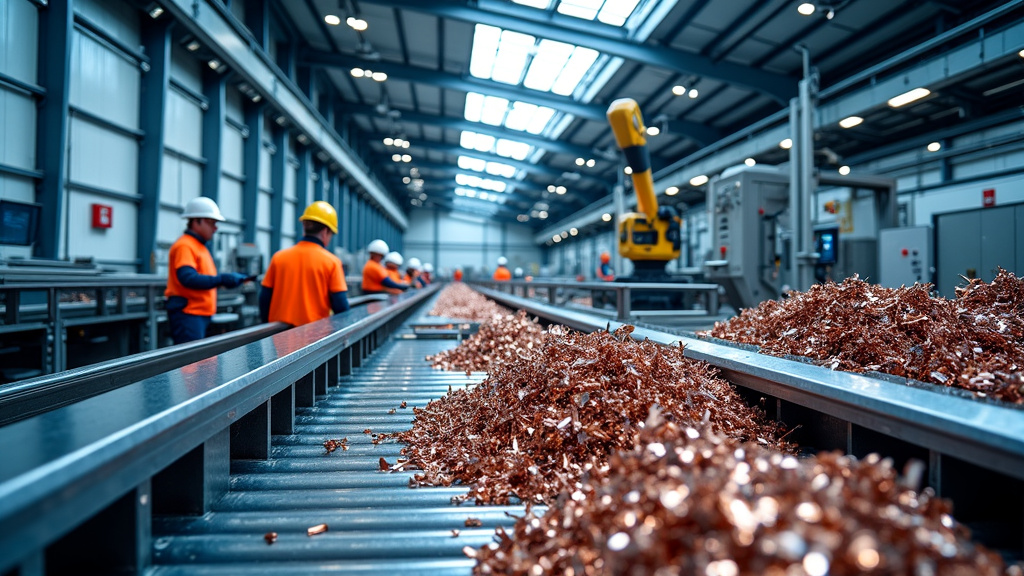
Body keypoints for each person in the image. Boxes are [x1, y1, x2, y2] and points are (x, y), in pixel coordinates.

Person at [165, 197, 250, 344]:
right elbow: (188, 278)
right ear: (196, 221)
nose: (215, 228)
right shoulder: (185, 246)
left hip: (198, 314)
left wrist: (224, 281)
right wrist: (221, 279)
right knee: (190, 364)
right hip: (188, 314)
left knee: (200, 364)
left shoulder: (200, 247)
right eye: (211, 223)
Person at [259, 201, 349, 326]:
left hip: (278, 338)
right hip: (314, 338)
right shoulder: (332, 262)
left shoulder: (279, 257)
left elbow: (264, 298)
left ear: (305, 227)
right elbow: (340, 305)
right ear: (325, 231)